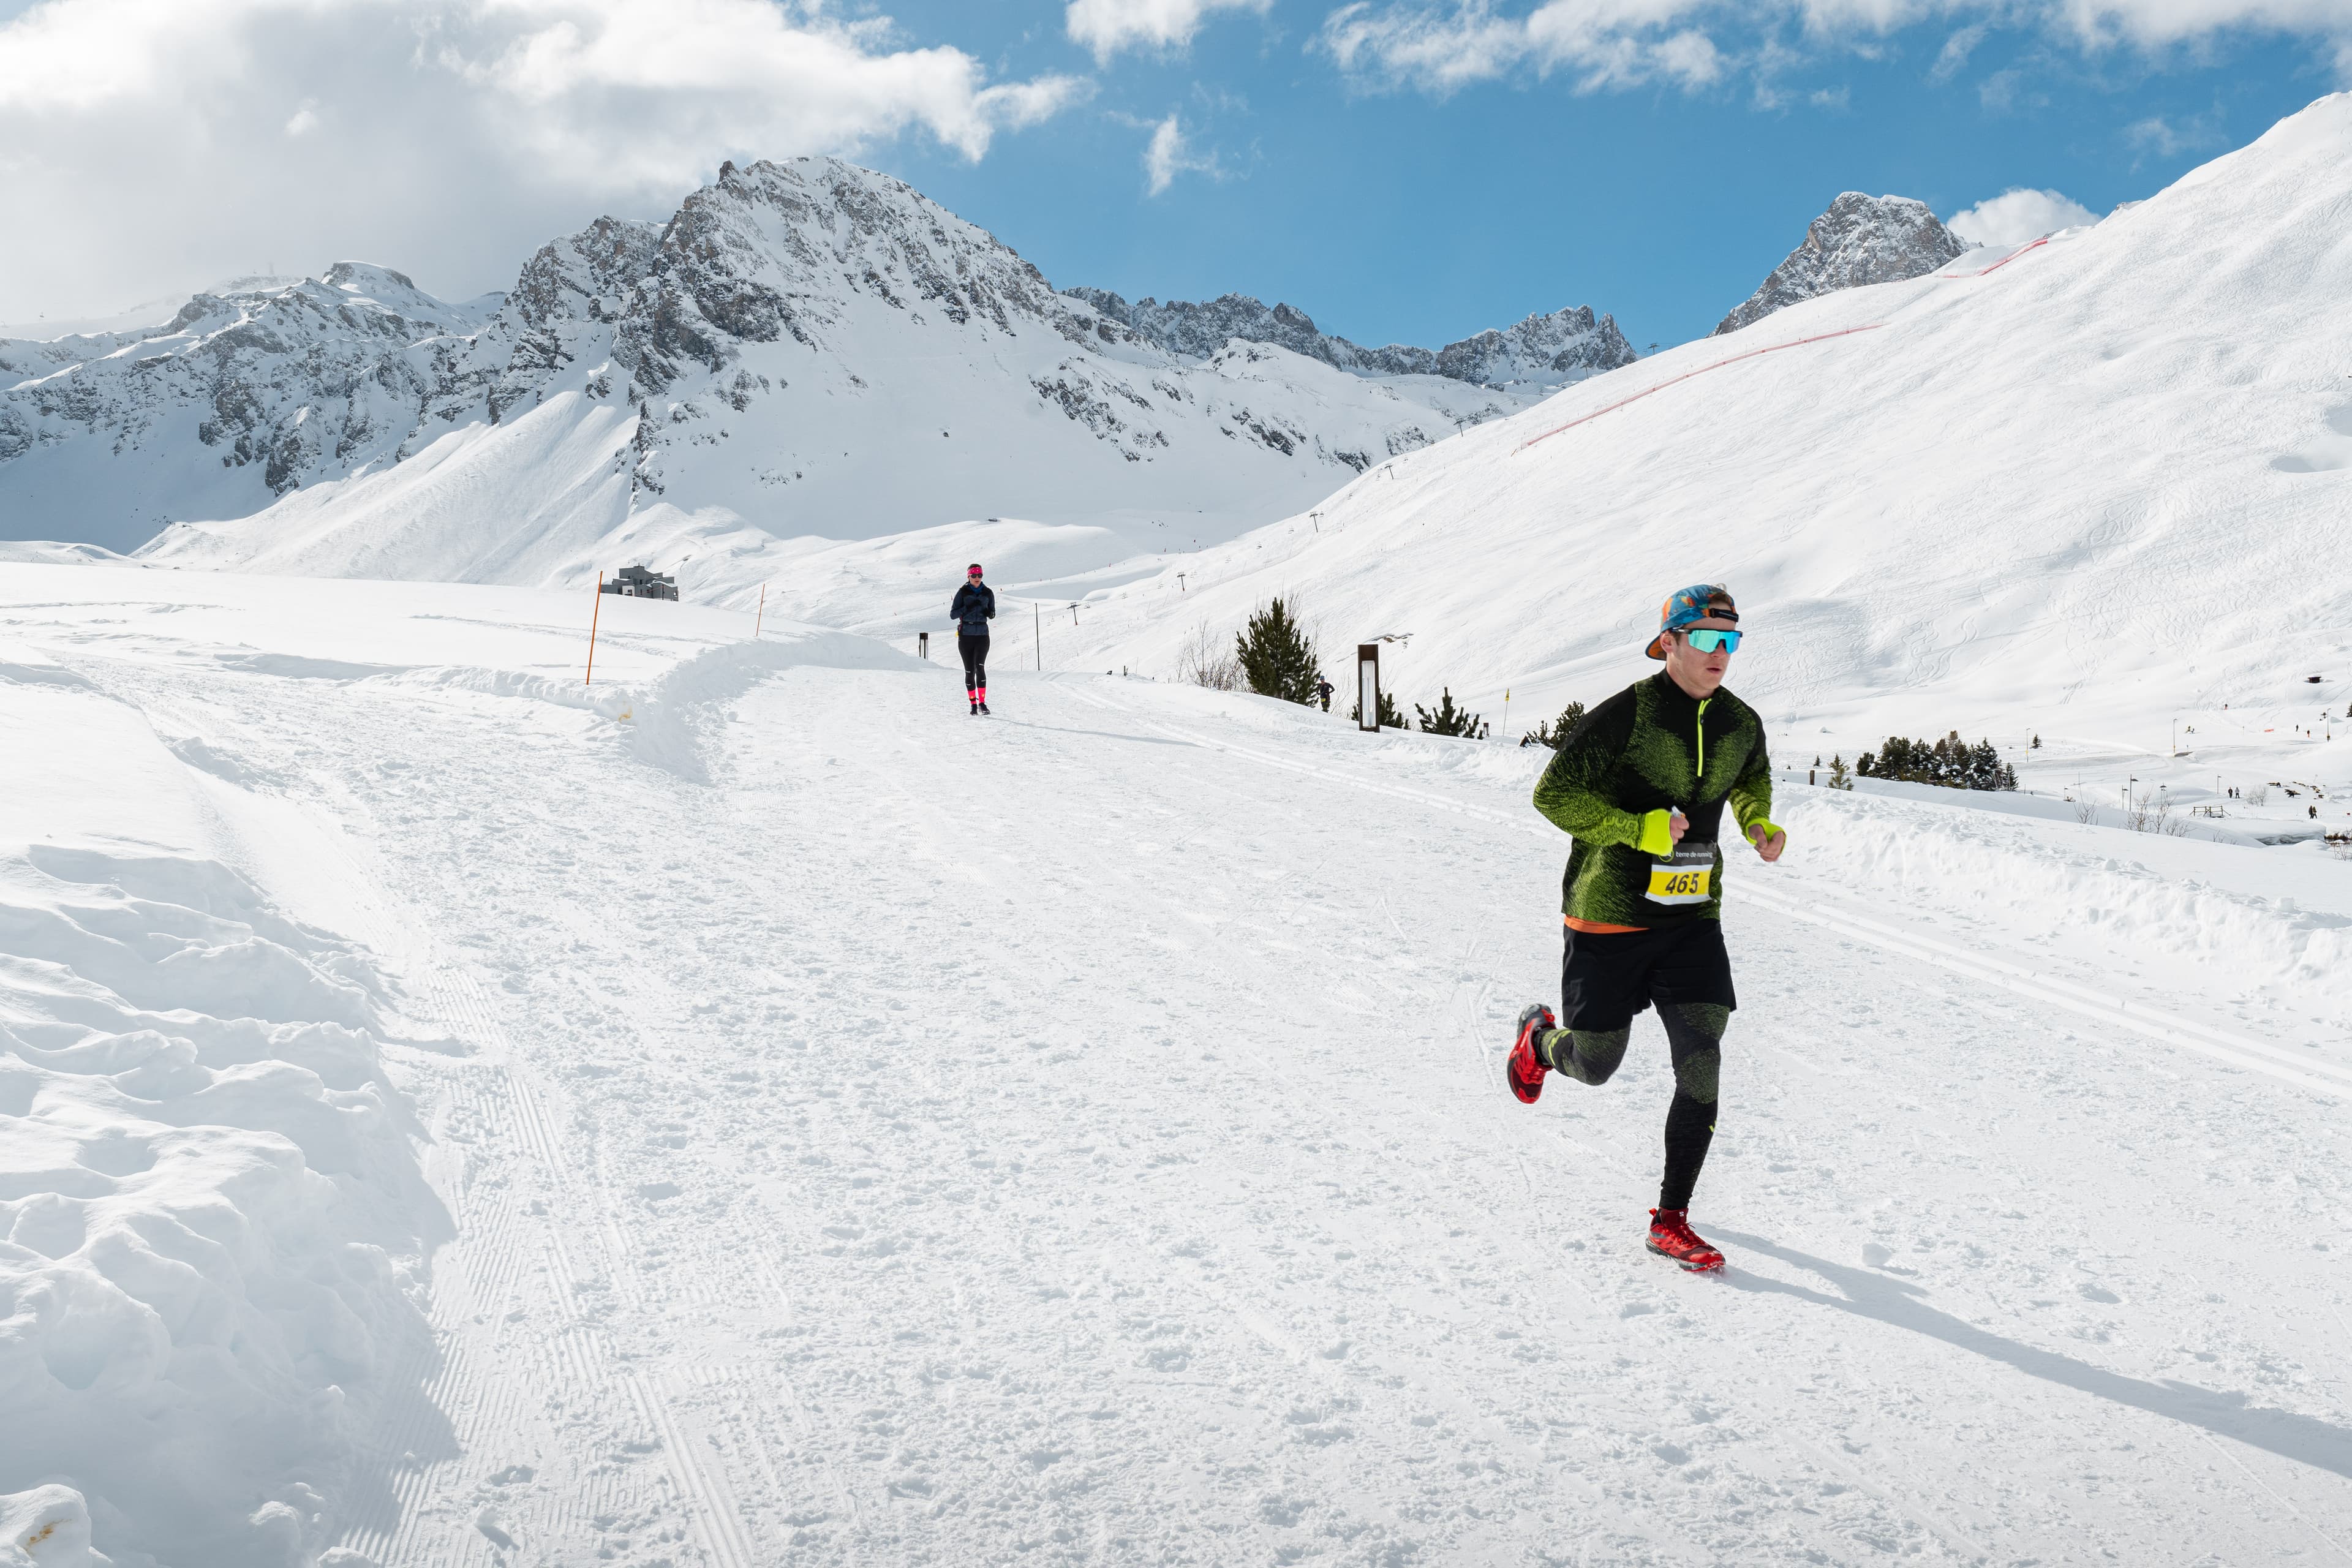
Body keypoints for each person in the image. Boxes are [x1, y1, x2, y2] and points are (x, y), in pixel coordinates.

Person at [1506, 584, 1784, 1273]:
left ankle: (1671, 1218)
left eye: (1733, 640)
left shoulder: (1741, 723)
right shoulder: (1627, 716)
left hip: (1694, 917)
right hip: (1611, 913)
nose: (1723, 653)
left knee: (1703, 1054)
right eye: (1709, 639)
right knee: (1597, 1062)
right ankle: (1539, 1041)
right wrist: (1639, 829)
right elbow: (1553, 795)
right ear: (1670, 643)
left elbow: (1751, 775)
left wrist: (1756, 820)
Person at [951, 564, 995, 714]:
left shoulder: (988, 593)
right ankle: (973, 705)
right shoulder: (962, 593)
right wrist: (966, 608)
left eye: (980, 575)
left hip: (982, 635)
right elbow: (953, 615)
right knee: (970, 671)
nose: (977, 578)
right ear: (968, 577)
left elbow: (993, 613)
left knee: (980, 667)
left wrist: (987, 612)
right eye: (974, 576)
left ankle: (982, 703)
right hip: (966, 636)